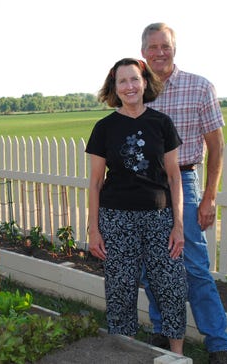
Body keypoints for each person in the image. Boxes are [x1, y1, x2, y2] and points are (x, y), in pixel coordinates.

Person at [138, 22, 227, 364]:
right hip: (145, 186)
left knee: (194, 267)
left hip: (186, 182)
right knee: (152, 264)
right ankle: (162, 330)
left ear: (175, 49)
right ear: (143, 52)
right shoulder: (137, 89)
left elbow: (217, 146)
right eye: (153, 47)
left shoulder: (199, 87)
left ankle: (218, 345)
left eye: (166, 46)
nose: (160, 53)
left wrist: (210, 197)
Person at [86, 57, 187, 355]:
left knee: (170, 286)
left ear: (145, 83)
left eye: (134, 79)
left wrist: (178, 225)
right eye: (122, 81)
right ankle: (124, 352)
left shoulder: (162, 123)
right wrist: (94, 229)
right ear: (114, 88)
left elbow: (174, 177)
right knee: (120, 289)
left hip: (160, 219)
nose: (129, 86)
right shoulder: (104, 128)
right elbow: (94, 183)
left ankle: (177, 355)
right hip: (116, 219)